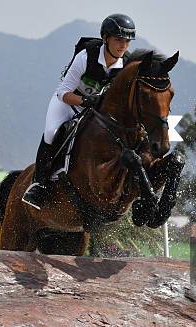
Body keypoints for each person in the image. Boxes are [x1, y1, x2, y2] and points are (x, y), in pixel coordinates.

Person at [22, 14, 136, 209]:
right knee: (51, 132)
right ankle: (39, 183)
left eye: (126, 41)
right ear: (105, 38)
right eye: (118, 39)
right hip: (68, 102)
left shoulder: (125, 65)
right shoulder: (86, 57)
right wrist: (84, 100)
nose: (123, 45)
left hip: (95, 110)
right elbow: (62, 92)